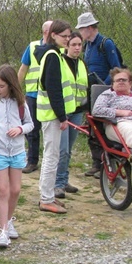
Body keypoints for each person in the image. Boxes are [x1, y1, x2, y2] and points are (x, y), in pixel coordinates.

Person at [0, 65, 34, 248]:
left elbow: (30, 124)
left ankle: (9, 220)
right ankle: (3, 231)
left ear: (11, 85)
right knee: (3, 190)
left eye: (1, 86)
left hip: (18, 151)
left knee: (16, 190)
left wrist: (20, 129)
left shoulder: (21, 103)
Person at [35, 20, 75, 214]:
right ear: (53, 35)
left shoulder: (53, 55)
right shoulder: (52, 56)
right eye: (64, 36)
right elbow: (54, 89)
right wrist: (62, 116)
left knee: (52, 155)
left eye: (69, 36)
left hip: (51, 115)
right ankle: (46, 198)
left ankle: (48, 195)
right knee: (51, 157)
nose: (67, 40)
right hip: (51, 116)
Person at [76, 12, 123, 178]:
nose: (80, 33)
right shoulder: (87, 46)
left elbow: (117, 68)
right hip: (92, 92)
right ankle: (97, 163)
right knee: (93, 128)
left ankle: (109, 164)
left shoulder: (106, 44)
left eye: (81, 29)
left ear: (89, 28)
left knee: (105, 129)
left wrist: (103, 85)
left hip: (106, 92)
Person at [54, 32, 88, 199]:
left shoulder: (82, 64)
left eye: (79, 45)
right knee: (63, 150)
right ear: (67, 46)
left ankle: (64, 180)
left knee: (69, 149)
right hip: (64, 112)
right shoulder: (59, 61)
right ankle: (58, 184)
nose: (76, 48)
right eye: (73, 44)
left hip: (78, 111)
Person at [18, 20, 53, 174]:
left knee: (50, 130)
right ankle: (32, 161)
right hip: (32, 94)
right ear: (45, 32)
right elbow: (22, 70)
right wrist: (15, 89)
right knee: (32, 130)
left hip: (50, 96)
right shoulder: (32, 47)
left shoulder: (60, 49)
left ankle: (49, 162)